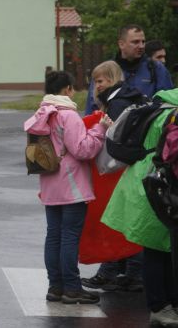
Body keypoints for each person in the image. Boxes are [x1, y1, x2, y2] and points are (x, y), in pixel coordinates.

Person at [24, 71, 111, 305]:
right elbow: (83, 150)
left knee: (53, 236)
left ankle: (55, 286)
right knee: (70, 237)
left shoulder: (41, 114)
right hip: (72, 185)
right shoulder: (67, 115)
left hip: (49, 184)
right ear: (68, 89)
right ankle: (72, 288)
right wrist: (99, 129)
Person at [101, 87, 178, 326]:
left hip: (144, 180)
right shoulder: (172, 113)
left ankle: (165, 305)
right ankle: (159, 306)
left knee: (160, 247)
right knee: (158, 249)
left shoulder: (159, 105)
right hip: (159, 183)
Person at [79, 61, 146, 291]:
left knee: (118, 218)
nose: (96, 86)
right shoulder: (128, 97)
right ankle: (125, 271)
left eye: (99, 81)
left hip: (120, 166)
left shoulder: (117, 102)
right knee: (125, 218)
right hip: (131, 164)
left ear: (111, 79)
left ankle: (122, 271)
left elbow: (115, 135)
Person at [85, 24, 172, 115]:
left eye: (143, 42)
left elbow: (167, 102)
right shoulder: (107, 70)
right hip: (112, 125)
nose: (141, 46)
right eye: (135, 42)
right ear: (121, 44)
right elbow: (93, 106)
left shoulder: (156, 68)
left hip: (148, 125)